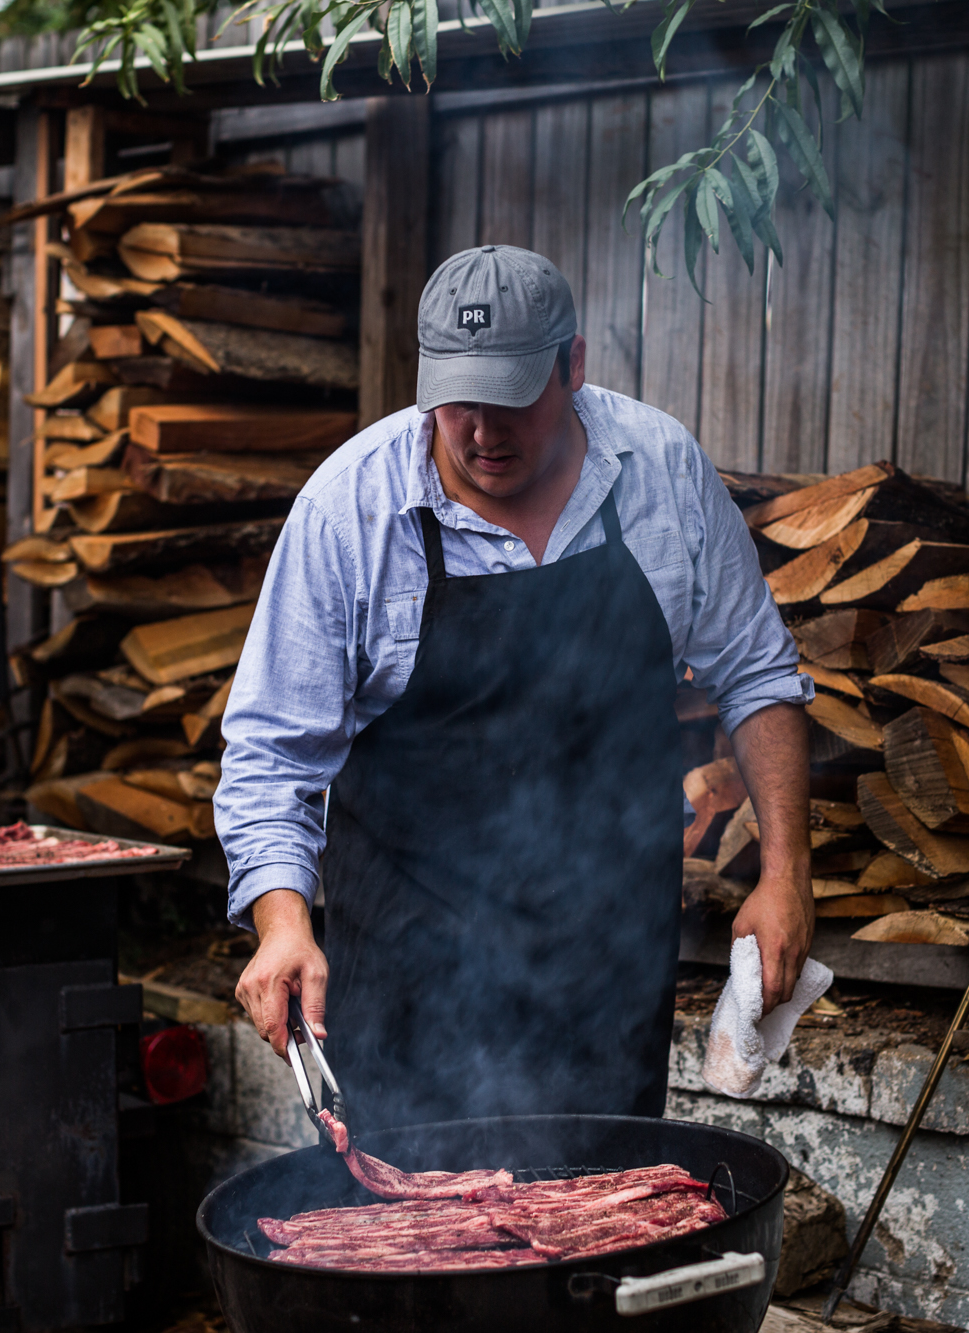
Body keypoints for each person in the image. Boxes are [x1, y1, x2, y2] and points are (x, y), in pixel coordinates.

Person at [215, 244, 814, 1130]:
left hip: (608, 966)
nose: (483, 434)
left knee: (600, 1236)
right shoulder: (351, 509)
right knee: (414, 1252)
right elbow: (271, 754)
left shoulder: (659, 472)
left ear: (572, 366)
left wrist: (786, 870)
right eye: (458, 404)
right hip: (410, 973)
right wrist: (282, 924)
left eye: (510, 400)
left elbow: (758, 672)